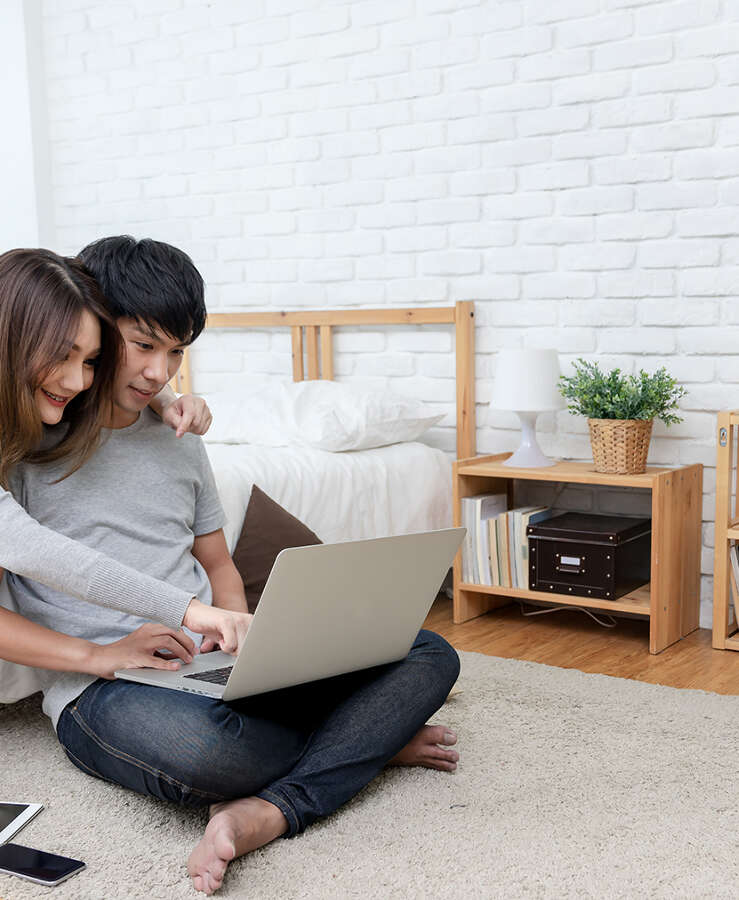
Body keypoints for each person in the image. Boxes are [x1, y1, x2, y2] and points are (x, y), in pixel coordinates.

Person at [1, 237, 461, 897]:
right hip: (103, 686)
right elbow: (45, 557)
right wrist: (103, 653)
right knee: (218, 755)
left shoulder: (180, 437)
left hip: (207, 658)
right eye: (142, 344)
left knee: (426, 653)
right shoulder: (22, 441)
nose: (161, 374)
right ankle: (357, 752)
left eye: (176, 352)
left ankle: (276, 801)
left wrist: (248, 637)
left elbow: (216, 563)